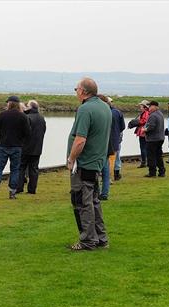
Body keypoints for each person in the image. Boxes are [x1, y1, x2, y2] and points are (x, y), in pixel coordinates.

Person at [67, 78, 110, 251]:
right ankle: (101, 238)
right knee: (94, 201)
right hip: (97, 162)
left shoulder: (85, 109)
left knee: (82, 202)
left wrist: (71, 159)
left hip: (84, 164)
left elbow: (80, 140)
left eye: (76, 88)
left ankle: (87, 240)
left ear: (84, 91)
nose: (76, 91)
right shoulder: (104, 106)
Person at [0, 95, 31, 200]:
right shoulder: (23, 117)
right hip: (17, 146)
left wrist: (3, 131)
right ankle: (12, 192)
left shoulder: (3, 115)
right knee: (15, 169)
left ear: (10, 103)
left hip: (3, 145)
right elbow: (28, 133)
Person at [17, 99, 46, 194]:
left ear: (30, 107)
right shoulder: (42, 118)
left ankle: (19, 188)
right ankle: (32, 189)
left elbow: (23, 132)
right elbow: (43, 131)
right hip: (37, 148)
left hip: (25, 147)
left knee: (21, 167)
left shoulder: (27, 117)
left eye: (27, 105)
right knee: (34, 169)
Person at [143, 101, 166, 177]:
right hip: (160, 138)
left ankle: (152, 173)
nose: (149, 108)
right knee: (158, 155)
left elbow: (151, 127)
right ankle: (162, 171)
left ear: (155, 106)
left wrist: (144, 130)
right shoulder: (160, 114)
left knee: (151, 156)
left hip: (153, 139)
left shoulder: (153, 115)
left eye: (150, 106)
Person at [106, 97, 126, 181]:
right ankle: (116, 174)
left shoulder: (104, 112)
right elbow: (123, 127)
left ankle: (107, 176)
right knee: (116, 157)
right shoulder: (118, 112)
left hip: (106, 139)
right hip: (116, 139)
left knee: (108, 159)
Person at [131, 100, 150, 168]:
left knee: (143, 148)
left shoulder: (146, 113)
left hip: (143, 133)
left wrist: (137, 122)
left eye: (141, 106)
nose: (140, 108)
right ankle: (146, 162)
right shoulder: (146, 112)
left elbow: (145, 121)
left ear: (145, 107)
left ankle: (144, 162)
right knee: (145, 147)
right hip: (143, 132)